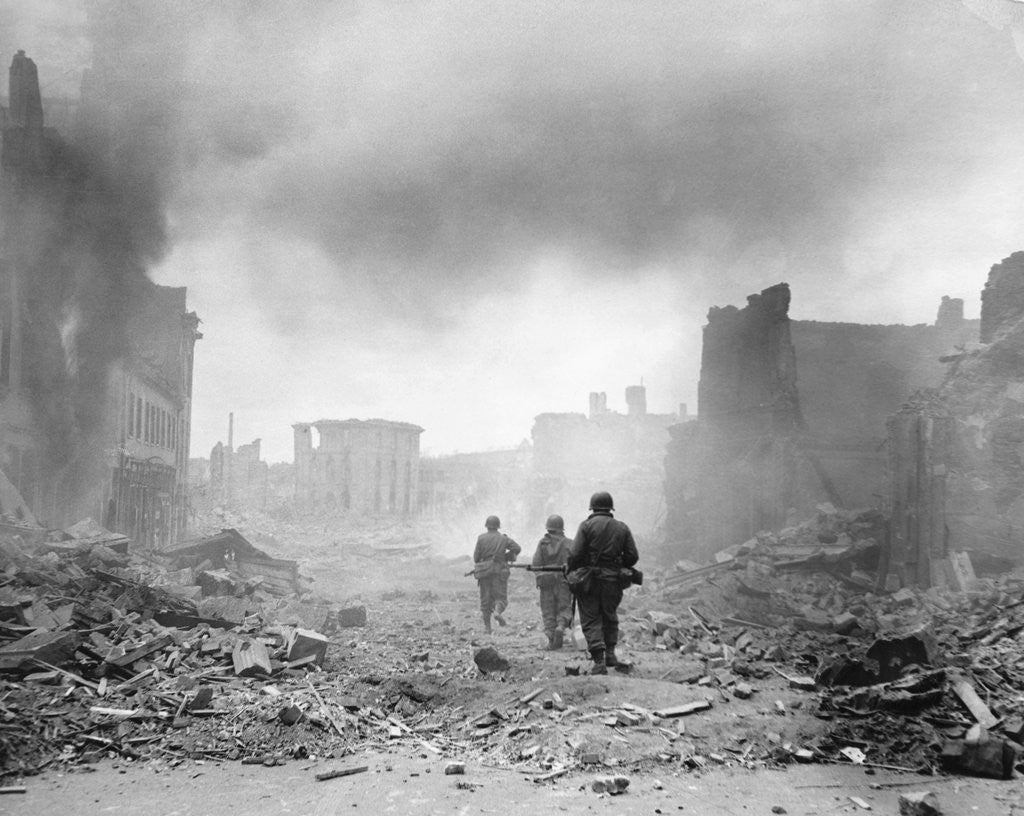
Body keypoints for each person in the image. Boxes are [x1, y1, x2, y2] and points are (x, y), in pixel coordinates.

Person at [567, 491, 639, 675]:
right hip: (613, 581)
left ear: (592, 507)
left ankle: (599, 662)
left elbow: (575, 555)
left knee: (591, 619)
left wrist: (574, 569)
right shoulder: (622, 527)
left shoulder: (586, 526)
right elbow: (632, 557)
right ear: (610, 507)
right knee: (609, 615)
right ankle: (611, 655)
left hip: (590, 581)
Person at [472, 515, 521, 634]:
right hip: (499, 571)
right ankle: (498, 612)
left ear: (487, 526)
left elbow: (476, 558)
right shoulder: (503, 539)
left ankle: (487, 628)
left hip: (484, 572)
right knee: (501, 598)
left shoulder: (481, 538)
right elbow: (517, 548)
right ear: (498, 526)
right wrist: (505, 556)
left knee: (485, 600)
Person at [531, 514, 573, 650]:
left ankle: (551, 640)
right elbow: (576, 564)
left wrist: (541, 576)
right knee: (564, 607)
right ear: (562, 528)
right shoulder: (570, 543)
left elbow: (536, 563)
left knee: (548, 610)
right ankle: (561, 626)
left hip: (546, 581)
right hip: (563, 581)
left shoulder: (543, 543)